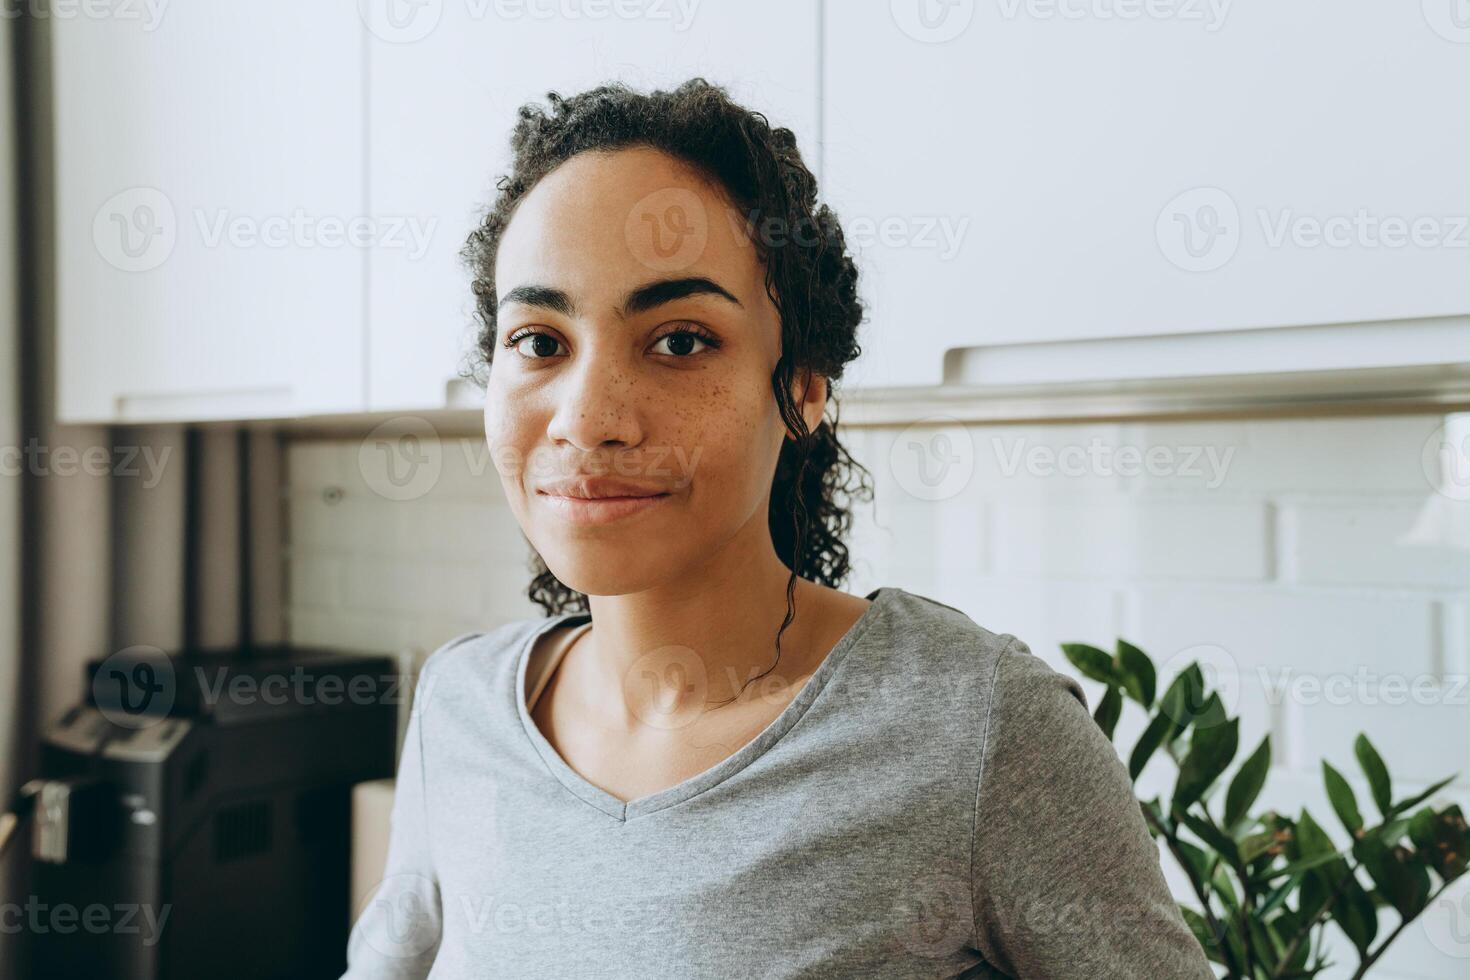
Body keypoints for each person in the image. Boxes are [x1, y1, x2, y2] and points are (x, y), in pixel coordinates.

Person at [342, 78, 1214, 979]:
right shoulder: (461, 706)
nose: (588, 417)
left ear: (802, 386)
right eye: (539, 341)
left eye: (680, 340)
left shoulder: (979, 729)